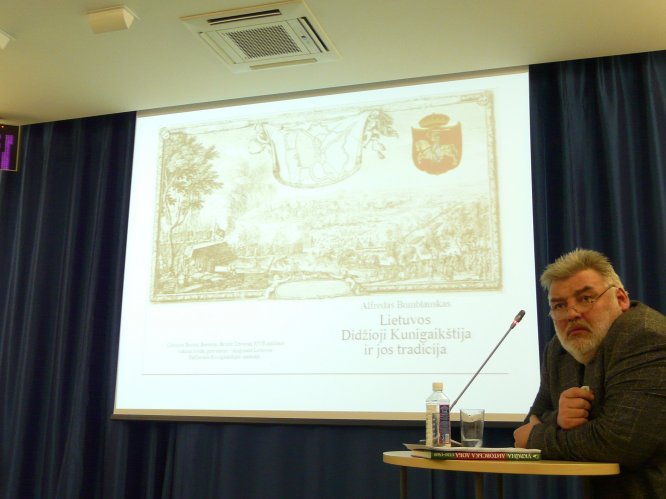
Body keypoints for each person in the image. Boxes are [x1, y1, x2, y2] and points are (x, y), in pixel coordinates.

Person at [513, 248, 666, 498]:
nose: (572, 314)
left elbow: (621, 442)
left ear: (621, 299)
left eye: (586, 299)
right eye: (559, 305)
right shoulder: (558, 351)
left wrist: (539, 438)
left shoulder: (646, 336)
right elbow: (528, 425)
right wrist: (558, 419)